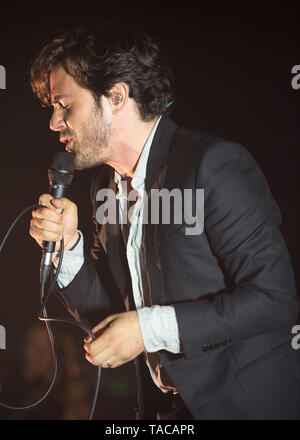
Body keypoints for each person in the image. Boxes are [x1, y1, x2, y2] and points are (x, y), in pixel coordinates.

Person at [29, 20, 300, 420]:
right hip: (165, 412)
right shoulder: (104, 187)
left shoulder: (213, 164)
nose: (54, 122)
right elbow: (110, 317)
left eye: (64, 104)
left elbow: (275, 301)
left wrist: (147, 328)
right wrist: (69, 247)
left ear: (117, 96)